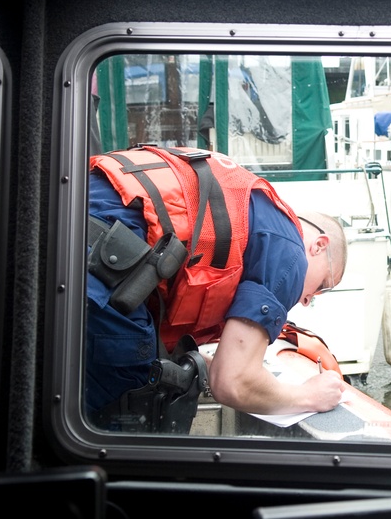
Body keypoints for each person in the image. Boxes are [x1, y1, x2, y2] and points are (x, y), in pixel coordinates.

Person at [84, 144, 347, 432]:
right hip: (101, 267)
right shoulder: (290, 251)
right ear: (319, 246)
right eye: (322, 285)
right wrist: (309, 396)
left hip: (74, 222)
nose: (308, 299)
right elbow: (232, 383)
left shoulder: (253, 208)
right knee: (134, 406)